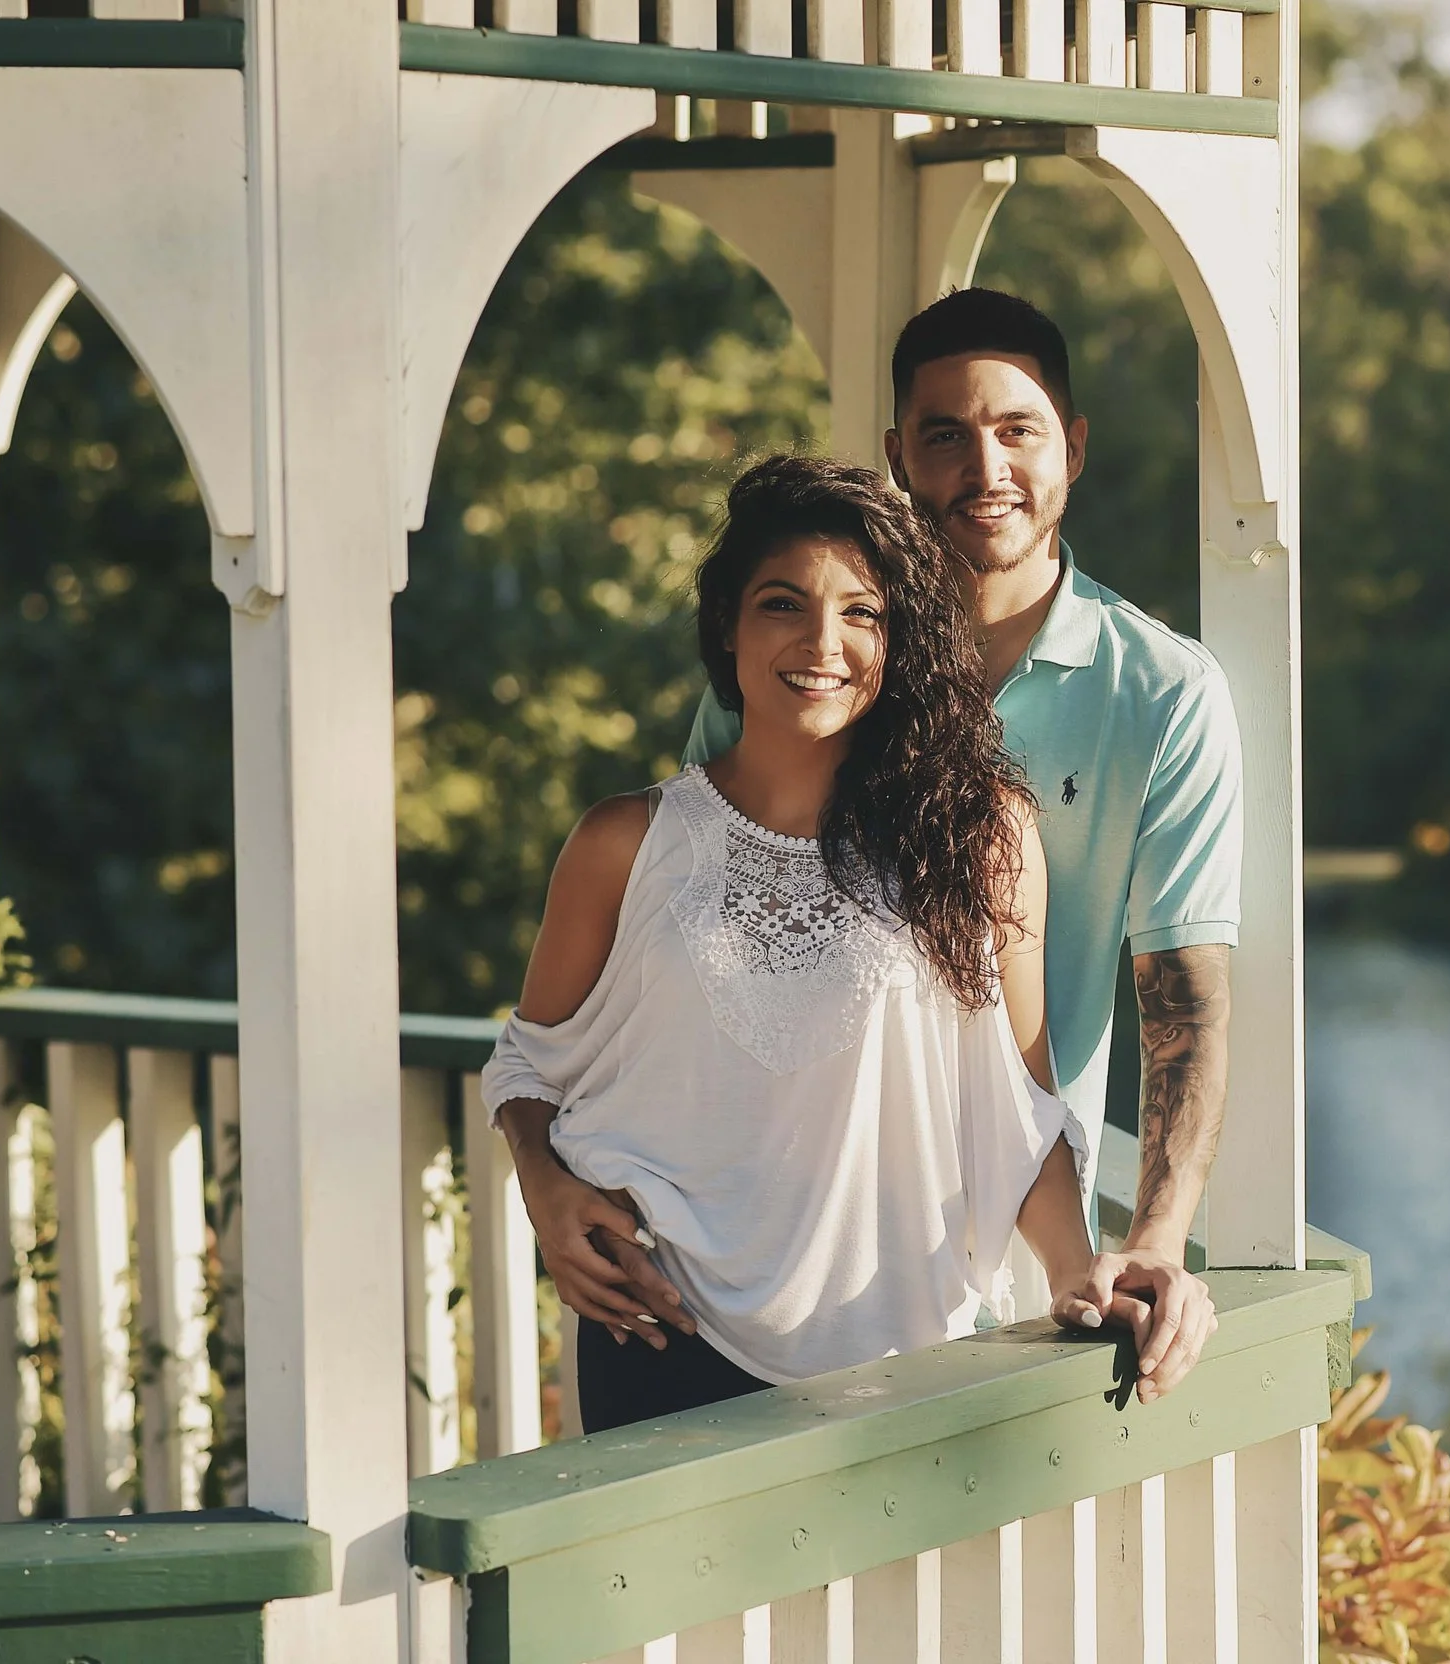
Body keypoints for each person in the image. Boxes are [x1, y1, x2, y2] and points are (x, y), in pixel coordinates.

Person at [510, 289, 1242, 1407]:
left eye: (863, 614)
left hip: (950, 1279)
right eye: (944, 434)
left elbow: (1134, 1022)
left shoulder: (1138, 711)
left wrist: (1141, 1243)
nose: (821, 644)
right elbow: (593, 1027)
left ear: (1074, 445)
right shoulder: (663, 806)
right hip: (662, 1315)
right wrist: (551, 1191)